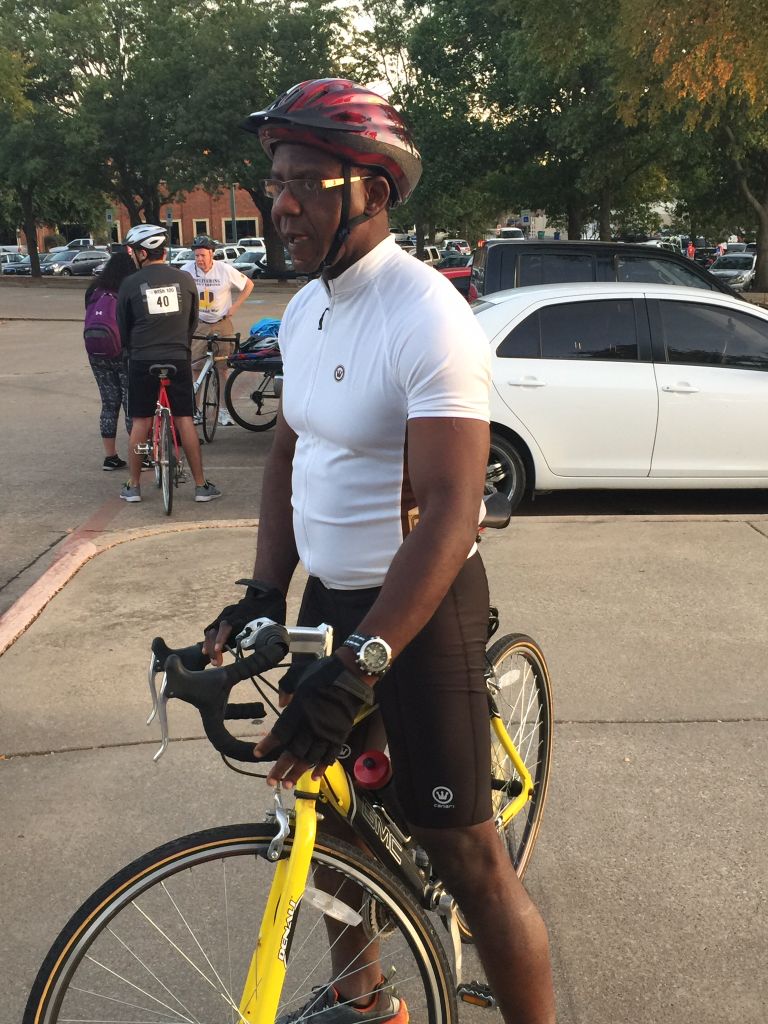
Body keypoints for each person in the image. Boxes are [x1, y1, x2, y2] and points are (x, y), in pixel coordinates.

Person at [204, 79, 556, 1024]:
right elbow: (292, 450)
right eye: (276, 181)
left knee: (467, 854)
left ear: (372, 189)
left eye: (305, 183)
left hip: (419, 608)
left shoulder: (425, 313)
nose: (281, 204)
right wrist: (263, 589)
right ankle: (365, 1000)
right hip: (331, 599)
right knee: (327, 816)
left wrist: (365, 665)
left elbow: (452, 508)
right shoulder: (308, 308)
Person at [117, 223, 222, 503]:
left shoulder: (130, 284)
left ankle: (133, 485)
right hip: (177, 356)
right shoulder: (185, 279)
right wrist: (180, 343)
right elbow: (193, 320)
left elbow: (123, 327)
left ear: (142, 253)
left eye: (133, 251)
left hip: (142, 359)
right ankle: (201, 486)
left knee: (141, 420)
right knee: (184, 418)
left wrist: (132, 349)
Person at [180, 236, 253, 426]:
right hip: (199, 324)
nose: (199, 259)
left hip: (221, 323)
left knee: (223, 369)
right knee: (196, 368)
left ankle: (223, 411)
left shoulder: (224, 269)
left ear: (212, 254)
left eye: (203, 255)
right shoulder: (187, 270)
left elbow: (248, 285)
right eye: (196, 255)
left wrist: (235, 306)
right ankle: (196, 411)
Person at [84, 252, 135, 470]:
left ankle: (110, 457)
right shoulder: (128, 289)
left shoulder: (94, 289)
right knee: (131, 404)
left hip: (97, 351)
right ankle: (139, 456)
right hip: (123, 352)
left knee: (109, 403)